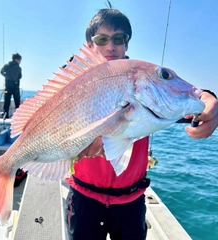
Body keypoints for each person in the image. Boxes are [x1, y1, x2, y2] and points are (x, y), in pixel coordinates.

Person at [65, 7, 218, 240]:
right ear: (89, 45)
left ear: (127, 44)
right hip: (84, 196)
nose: (110, 46)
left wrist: (209, 99)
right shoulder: (73, 85)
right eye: (102, 39)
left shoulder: (144, 82)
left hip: (131, 201)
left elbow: (183, 98)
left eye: (118, 39)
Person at [0, 53, 22, 118]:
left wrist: (6, 76)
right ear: (17, 59)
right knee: (17, 102)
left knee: (6, 101)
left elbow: (1, 72)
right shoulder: (18, 68)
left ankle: (5, 115)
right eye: (20, 60)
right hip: (15, 87)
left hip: (7, 87)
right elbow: (20, 76)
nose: (20, 61)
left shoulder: (6, 66)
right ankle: (18, 117)